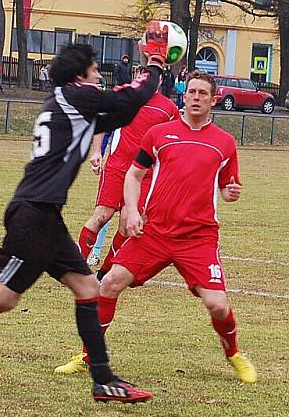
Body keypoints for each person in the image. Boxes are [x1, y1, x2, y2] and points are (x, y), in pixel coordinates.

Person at [0, 42, 165, 403]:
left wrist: (143, 87)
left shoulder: (67, 102)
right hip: (34, 215)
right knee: (3, 297)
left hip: (43, 215)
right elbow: (132, 99)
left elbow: (123, 112)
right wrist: (155, 64)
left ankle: (103, 380)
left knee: (86, 289)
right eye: (95, 69)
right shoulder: (74, 95)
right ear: (79, 75)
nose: (100, 75)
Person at [54, 71, 257, 384]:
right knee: (108, 284)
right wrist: (132, 211)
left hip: (197, 238)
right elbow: (134, 176)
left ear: (214, 100)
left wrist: (229, 193)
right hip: (154, 232)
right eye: (192, 92)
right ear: (184, 95)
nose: (197, 98)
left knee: (217, 305)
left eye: (204, 93)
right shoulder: (160, 134)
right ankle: (88, 356)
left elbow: (229, 188)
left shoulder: (225, 143)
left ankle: (233, 353)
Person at [73, 88, 180, 285]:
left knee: (127, 224)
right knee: (101, 216)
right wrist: (97, 151)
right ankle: (76, 269)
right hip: (117, 167)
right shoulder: (124, 96)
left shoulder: (169, 108)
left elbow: (173, 140)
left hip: (144, 175)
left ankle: (106, 271)